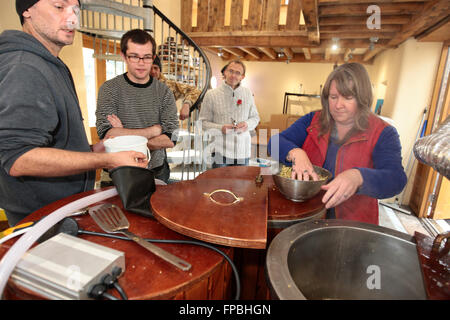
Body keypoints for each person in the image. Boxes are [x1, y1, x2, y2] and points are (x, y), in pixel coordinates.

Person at [0, 0, 148, 226]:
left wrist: (91, 150)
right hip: (41, 217)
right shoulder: (25, 67)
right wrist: (107, 159)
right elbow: (19, 159)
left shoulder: (49, 63)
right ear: (27, 11)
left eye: (75, 10)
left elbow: (51, 142)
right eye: (59, 7)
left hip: (62, 209)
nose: (72, 18)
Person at [268, 62, 407, 225]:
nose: (338, 105)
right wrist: (296, 153)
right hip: (307, 215)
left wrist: (359, 177)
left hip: (351, 224)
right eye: (333, 97)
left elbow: (396, 179)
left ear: (363, 98)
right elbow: (274, 142)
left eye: (348, 97)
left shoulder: (383, 132)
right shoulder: (313, 120)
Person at [96, 29, 179, 183]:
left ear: (153, 58)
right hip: (116, 172)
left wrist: (123, 138)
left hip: (155, 171)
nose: (141, 63)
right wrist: (154, 130)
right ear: (123, 56)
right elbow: (107, 135)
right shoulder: (109, 89)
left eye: (147, 57)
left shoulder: (164, 91)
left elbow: (171, 138)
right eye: (134, 56)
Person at [199, 60, 260, 168]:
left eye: (237, 73)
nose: (233, 75)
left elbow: (255, 118)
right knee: (220, 184)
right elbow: (203, 123)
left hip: (243, 152)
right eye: (230, 71)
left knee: (241, 185)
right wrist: (220, 128)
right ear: (225, 72)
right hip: (219, 151)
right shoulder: (211, 95)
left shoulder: (248, 93)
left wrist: (246, 124)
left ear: (242, 76)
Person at [151, 55, 201, 121]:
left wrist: (187, 104)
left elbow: (194, 90)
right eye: (150, 68)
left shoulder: (169, 85)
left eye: (155, 68)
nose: (153, 72)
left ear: (160, 70)